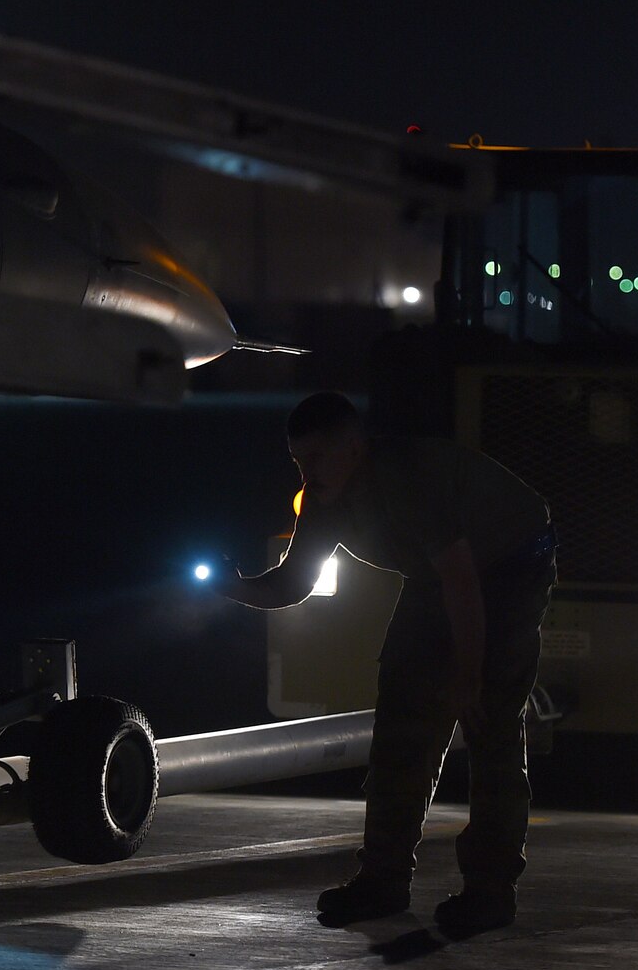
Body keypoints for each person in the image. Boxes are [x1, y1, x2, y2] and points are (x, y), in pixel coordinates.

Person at [211, 392, 554, 937]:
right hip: (436, 578)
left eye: (317, 458)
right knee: (400, 724)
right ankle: (383, 880)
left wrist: (467, 678)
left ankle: (491, 890)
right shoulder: (324, 498)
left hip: (508, 566)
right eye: (299, 460)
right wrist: (231, 588)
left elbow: (464, 582)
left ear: (354, 447)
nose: (307, 472)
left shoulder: (409, 479)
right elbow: (293, 583)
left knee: (490, 729)